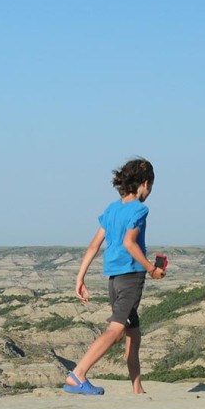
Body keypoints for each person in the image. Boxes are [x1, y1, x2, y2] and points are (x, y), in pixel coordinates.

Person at [63, 157, 165, 396]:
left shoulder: (111, 209)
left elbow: (93, 246)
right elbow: (130, 243)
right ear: (145, 183)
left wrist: (80, 279)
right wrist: (152, 269)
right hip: (130, 277)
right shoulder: (140, 209)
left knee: (133, 334)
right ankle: (77, 375)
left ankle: (137, 389)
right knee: (116, 330)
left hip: (113, 278)